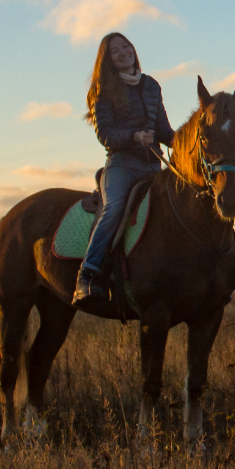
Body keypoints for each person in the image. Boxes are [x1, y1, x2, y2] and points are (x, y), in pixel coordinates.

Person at [72, 31, 175, 311]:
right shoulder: (104, 89)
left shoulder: (152, 85)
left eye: (125, 46)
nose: (122, 52)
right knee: (114, 207)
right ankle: (88, 274)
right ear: (107, 60)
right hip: (122, 165)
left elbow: (164, 130)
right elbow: (105, 133)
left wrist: (188, 143)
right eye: (114, 50)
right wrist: (133, 137)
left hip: (153, 166)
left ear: (133, 49)